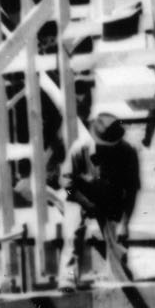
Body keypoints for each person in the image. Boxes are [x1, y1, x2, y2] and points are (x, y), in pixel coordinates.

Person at [59, 111, 141, 292]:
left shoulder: (127, 152)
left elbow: (132, 191)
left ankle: (121, 279)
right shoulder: (80, 149)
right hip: (79, 197)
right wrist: (84, 203)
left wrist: (125, 223)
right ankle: (68, 278)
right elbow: (66, 183)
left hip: (109, 198)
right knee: (73, 234)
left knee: (117, 238)